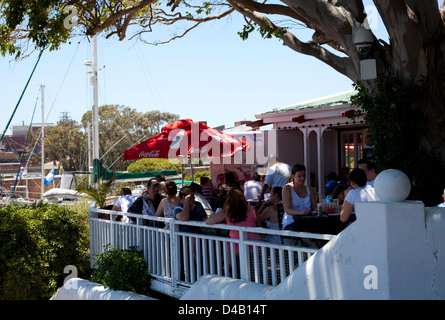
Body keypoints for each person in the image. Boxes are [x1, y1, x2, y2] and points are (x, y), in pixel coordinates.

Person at [206, 188, 260, 252]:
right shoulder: (253, 209)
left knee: (225, 248)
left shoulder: (228, 211)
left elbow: (209, 221)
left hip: (237, 248)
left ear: (228, 199)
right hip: (255, 246)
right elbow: (260, 225)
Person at [281, 164, 317, 231]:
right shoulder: (287, 188)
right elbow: (287, 210)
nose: (302, 178)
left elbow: (314, 208)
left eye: (304, 176)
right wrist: (302, 212)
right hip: (291, 222)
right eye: (299, 176)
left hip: (308, 221)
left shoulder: (308, 188)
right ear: (293, 176)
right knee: (303, 230)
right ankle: (312, 242)